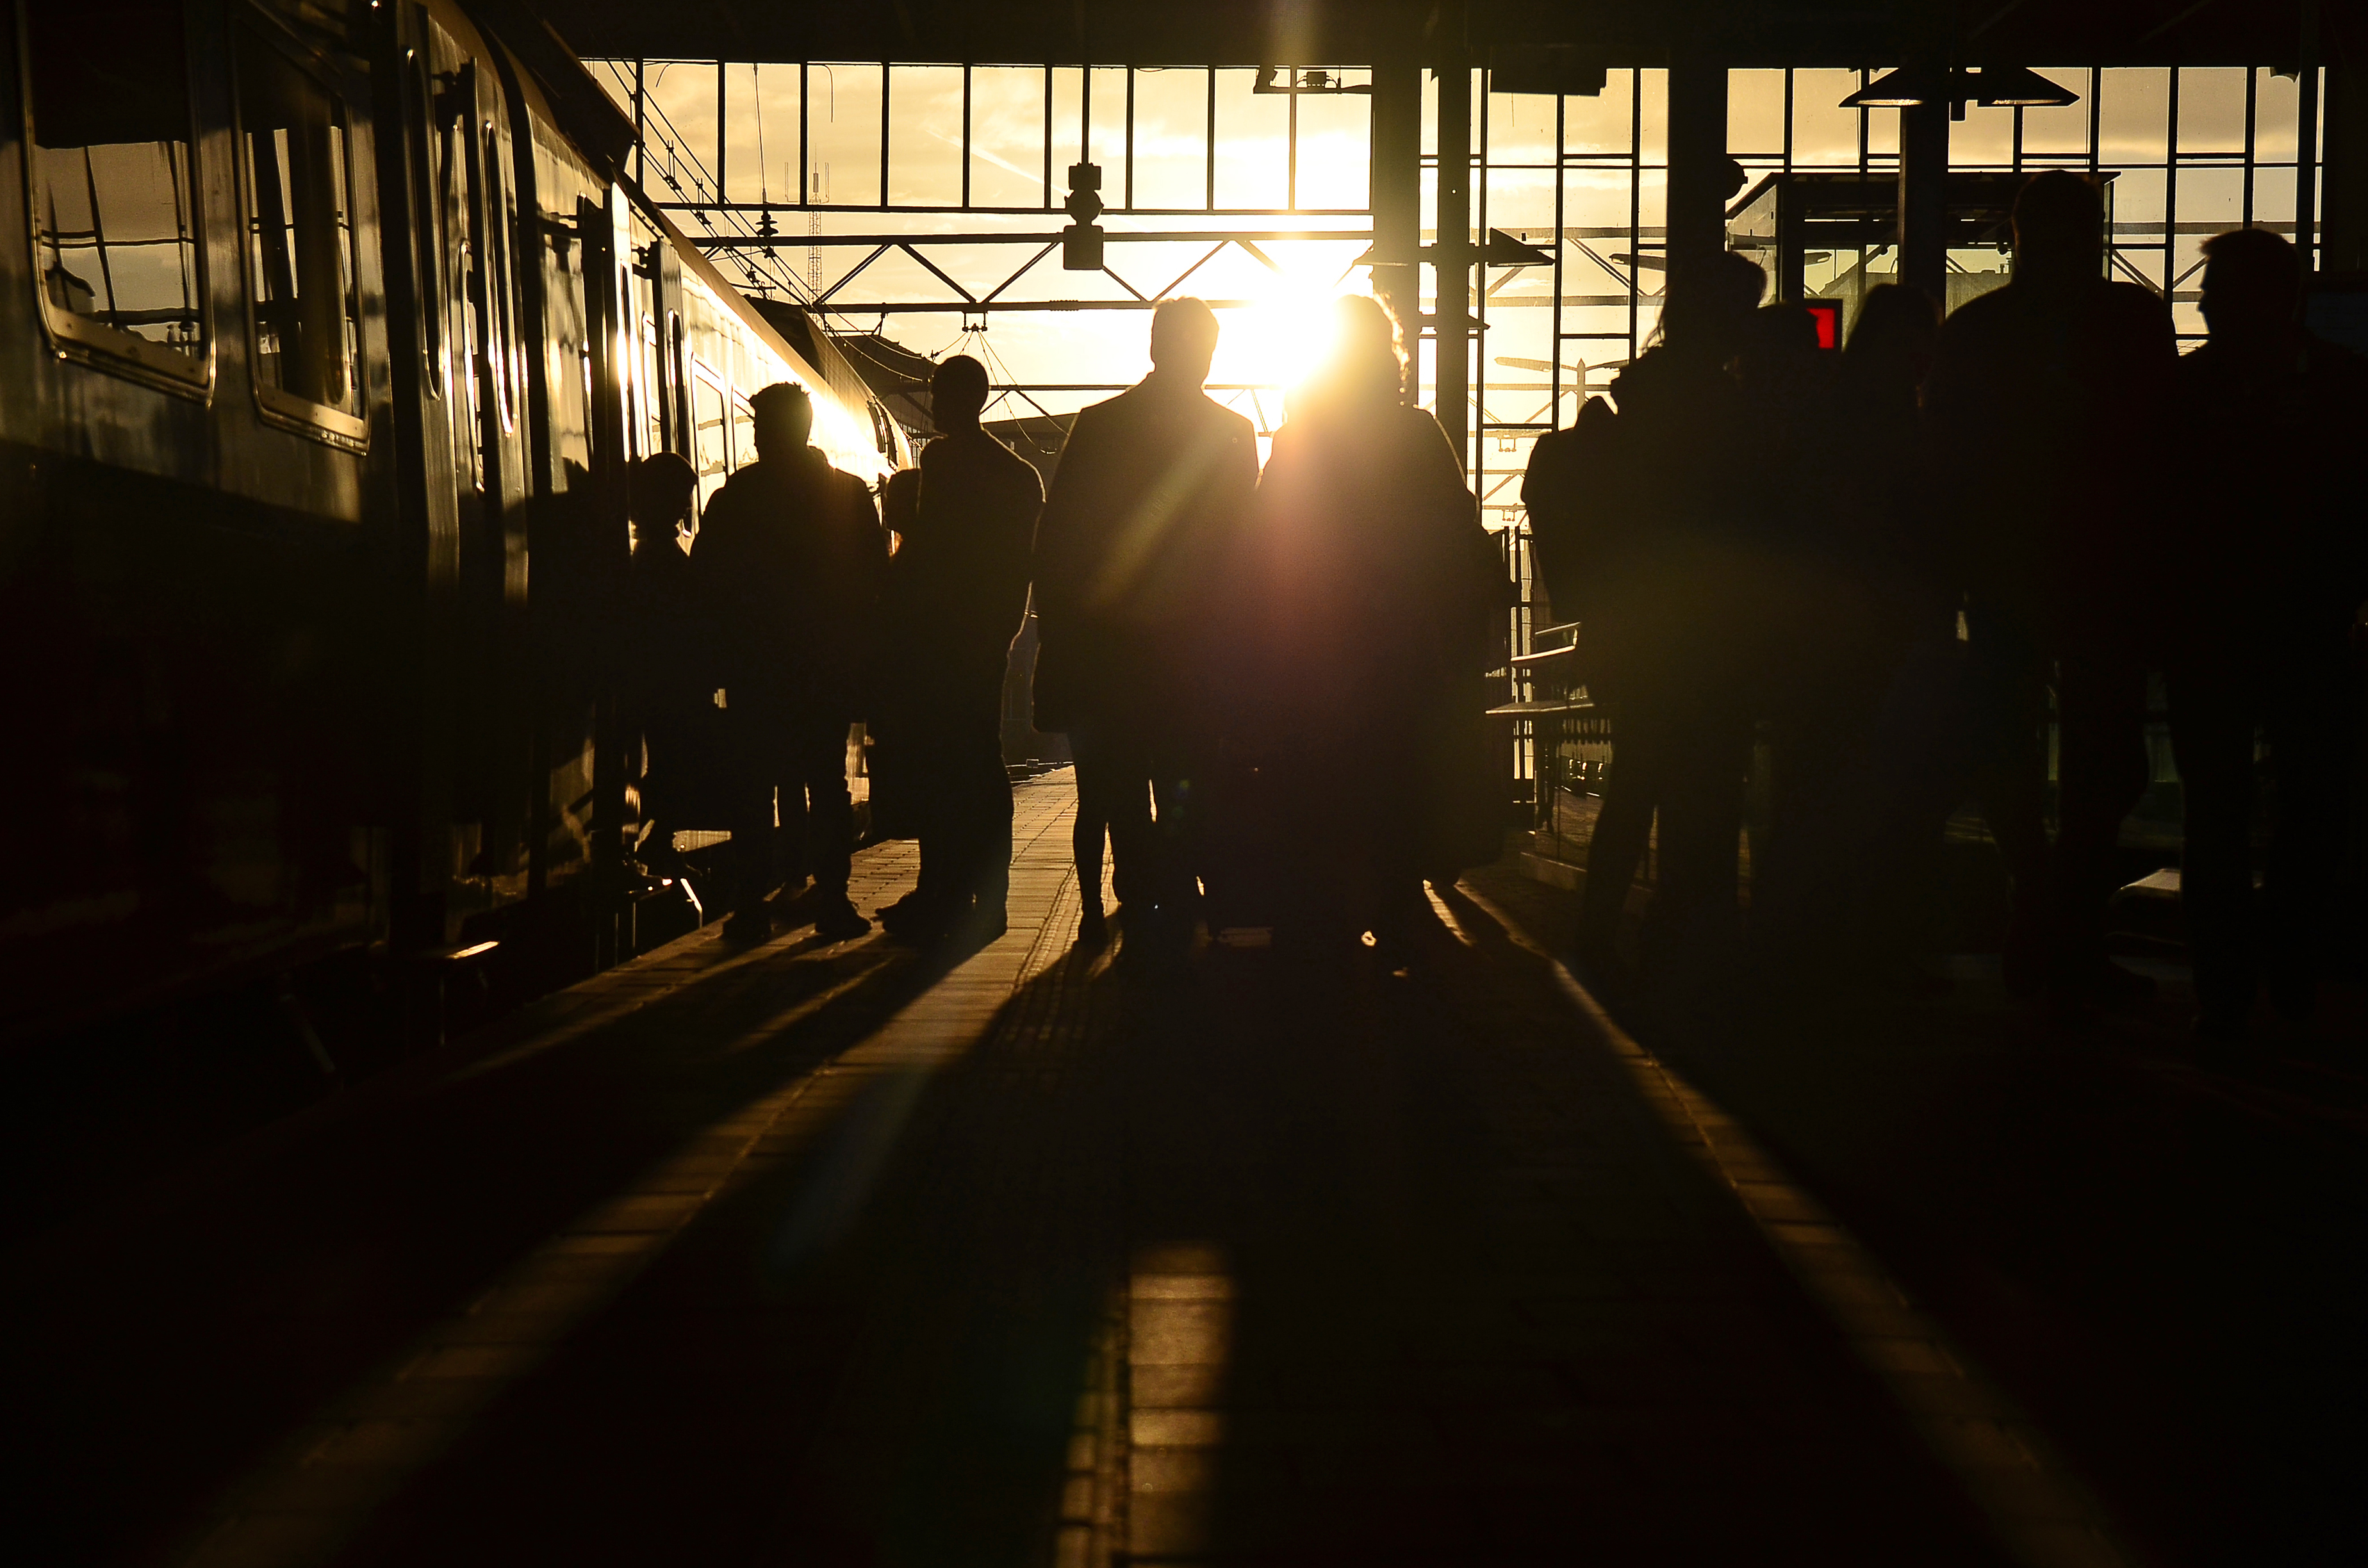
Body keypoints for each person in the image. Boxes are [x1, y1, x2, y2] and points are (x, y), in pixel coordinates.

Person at [1927, 171, 2178, 1007]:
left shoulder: (1978, 331)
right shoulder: (2134, 323)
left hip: (2011, 569)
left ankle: (2038, 906)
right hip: (2101, 568)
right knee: (2105, 759)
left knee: (2012, 746)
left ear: (2013, 233)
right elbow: (2157, 445)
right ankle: (2063, 923)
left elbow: (1952, 464)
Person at [1242, 294, 1512, 958]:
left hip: (1316, 652)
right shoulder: (1417, 434)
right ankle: (1397, 903)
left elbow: (1264, 546)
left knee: (1323, 782)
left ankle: (1324, 917)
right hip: (1402, 652)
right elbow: (1456, 536)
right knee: (1397, 777)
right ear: (1386, 358)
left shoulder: (1299, 439)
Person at [1527, 250, 1767, 974]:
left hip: (1636, 631)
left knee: (1637, 786)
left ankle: (1602, 933)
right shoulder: (1720, 413)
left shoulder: (1634, 409)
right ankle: (1689, 932)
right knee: (1708, 791)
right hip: (1706, 634)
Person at [2165, 227, 2368, 1045]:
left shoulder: (2186, 395)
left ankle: (2227, 990)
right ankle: (2286, 966)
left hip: (2213, 631)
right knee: (2310, 804)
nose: (2205, 304)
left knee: (2216, 813)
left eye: (2214, 292)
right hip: (2308, 626)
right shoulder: (2345, 388)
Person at [1031, 297, 1260, 961]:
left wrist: (1064, 634)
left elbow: (1059, 543)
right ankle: (1175, 899)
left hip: (1112, 655)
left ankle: (1140, 900)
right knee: (1188, 780)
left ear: (1154, 345)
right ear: (1207, 354)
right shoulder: (1233, 434)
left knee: (1121, 788)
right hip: (1198, 657)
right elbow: (1247, 551)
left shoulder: (1099, 427)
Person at [691, 382, 888, 942]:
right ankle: (832, 901)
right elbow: (874, 583)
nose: (755, 436)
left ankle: (752, 905)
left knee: (754, 788)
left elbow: (709, 584)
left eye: (760, 426)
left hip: (758, 672)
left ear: (781, 430)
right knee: (825, 785)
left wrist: (717, 662)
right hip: (824, 670)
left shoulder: (735, 499)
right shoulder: (848, 496)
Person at [872, 356, 1043, 943]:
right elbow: (1024, 568)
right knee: (977, 759)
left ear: (961, 398)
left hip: (941, 635)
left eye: (940, 393)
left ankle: (940, 891)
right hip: (988, 632)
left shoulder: (940, 462)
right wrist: (1004, 630)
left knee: (943, 763)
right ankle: (984, 896)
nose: (935, 403)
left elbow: (934, 554)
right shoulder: (1021, 475)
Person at [622, 453, 714, 875]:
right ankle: (645, 838)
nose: (684, 507)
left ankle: (652, 838)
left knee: (670, 763)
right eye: (679, 497)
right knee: (675, 763)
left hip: (659, 680)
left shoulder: (647, 553)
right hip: (670, 684)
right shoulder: (660, 557)